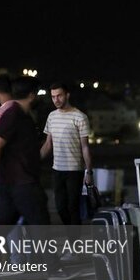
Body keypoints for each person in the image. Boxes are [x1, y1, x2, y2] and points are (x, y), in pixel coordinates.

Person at [0, 77, 75, 280]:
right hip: (20, 181)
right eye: (38, 93)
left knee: (4, 225)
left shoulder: (22, 114)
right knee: (40, 222)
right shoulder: (13, 114)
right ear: (31, 94)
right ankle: (52, 267)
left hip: (13, 181)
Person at [40, 83, 93, 260]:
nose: (56, 99)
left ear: (67, 95)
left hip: (74, 170)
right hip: (57, 170)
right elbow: (48, 144)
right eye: (53, 96)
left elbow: (85, 147)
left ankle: (74, 249)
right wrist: (34, 161)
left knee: (73, 208)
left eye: (59, 96)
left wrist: (89, 172)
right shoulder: (51, 116)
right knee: (61, 208)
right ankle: (73, 244)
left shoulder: (80, 117)